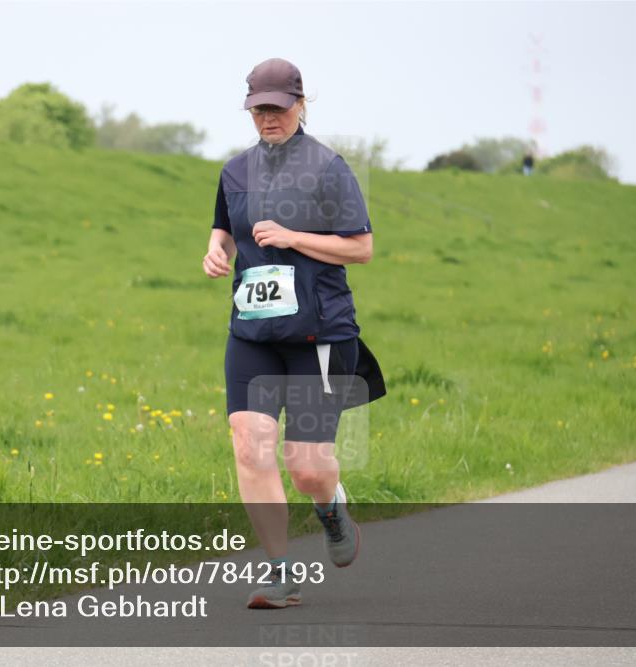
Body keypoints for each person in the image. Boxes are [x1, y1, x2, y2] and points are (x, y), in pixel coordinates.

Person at [202, 57, 385, 609]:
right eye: (258, 109)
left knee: (306, 466)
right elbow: (223, 226)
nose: (267, 118)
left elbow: (361, 247)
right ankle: (280, 573)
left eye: (277, 108)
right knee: (251, 450)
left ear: (301, 104)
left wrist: (292, 235)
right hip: (254, 335)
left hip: (319, 335)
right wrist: (216, 248)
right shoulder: (235, 170)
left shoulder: (329, 168)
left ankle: (331, 511)